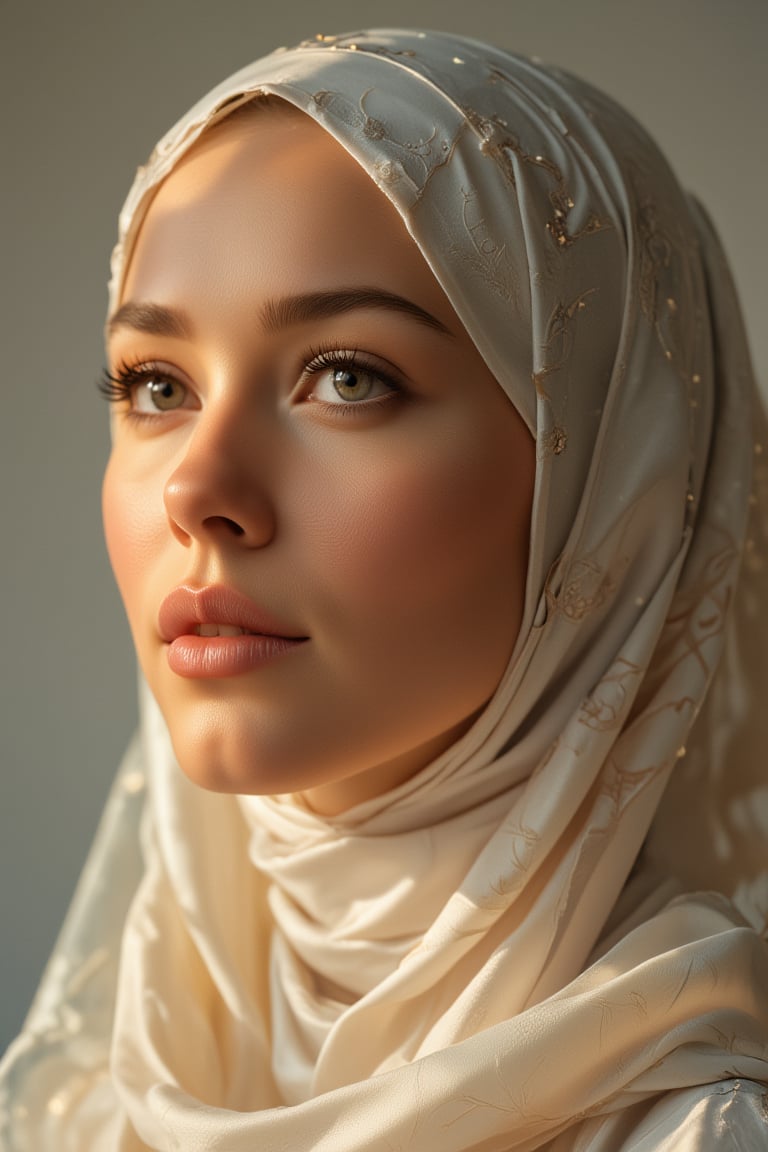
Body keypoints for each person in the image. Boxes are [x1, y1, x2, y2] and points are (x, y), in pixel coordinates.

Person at [1, 27, 767, 1150]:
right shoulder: (90, 1089)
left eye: (347, 377)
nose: (199, 491)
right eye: (155, 383)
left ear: (609, 476)